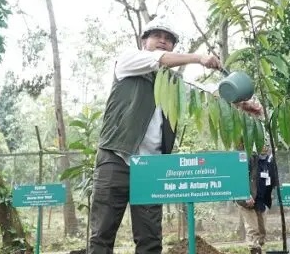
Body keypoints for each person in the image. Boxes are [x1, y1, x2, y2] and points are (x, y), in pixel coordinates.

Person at [88, 18, 262, 254]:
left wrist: (241, 103)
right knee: (101, 236)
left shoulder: (173, 82)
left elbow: (204, 93)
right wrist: (199, 58)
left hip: (151, 169)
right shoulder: (128, 60)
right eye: (157, 35)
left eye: (169, 39)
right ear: (144, 41)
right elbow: (157, 60)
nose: (163, 41)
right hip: (116, 159)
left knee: (150, 241)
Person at [236, 143, 278, 254]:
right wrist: (246, 195)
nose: (265, 147)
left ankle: (258, 247)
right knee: (253, 229)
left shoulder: (269, 161)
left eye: (267, 145)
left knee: (262, 231)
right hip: (247, 200)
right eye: (262, 144)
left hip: (261, 200)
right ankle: (254, 249)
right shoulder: (249, 159)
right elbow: (239, 177)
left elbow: (272, 179)